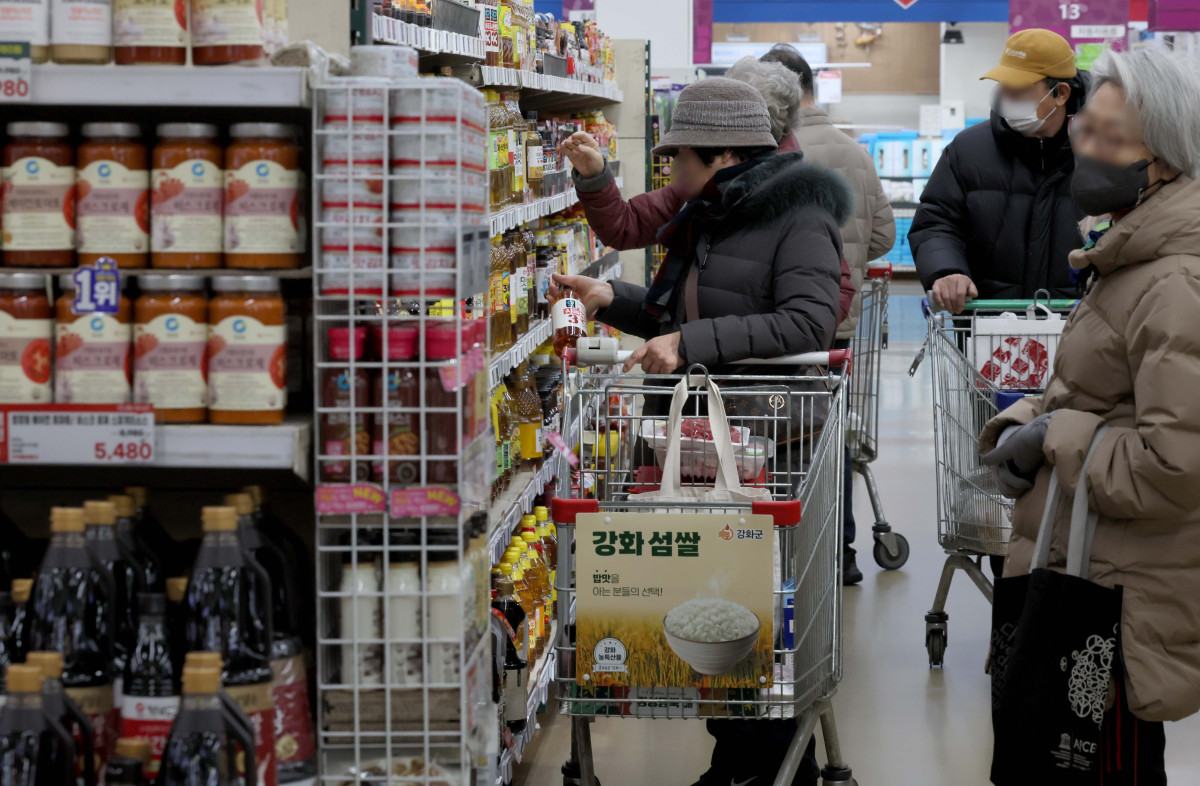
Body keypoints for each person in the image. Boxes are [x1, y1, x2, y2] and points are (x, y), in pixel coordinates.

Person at [553, 77, 849, 786]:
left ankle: (757, 764)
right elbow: (688, 316)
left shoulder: (798, 212)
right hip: (711, 439)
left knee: (760, 604)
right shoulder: (712, 210)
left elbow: (810, 322)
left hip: (769, 438)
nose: (669, 173)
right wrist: (615, 299)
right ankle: (749, 762)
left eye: (677, 158)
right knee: (720, 596)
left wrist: (690, 344)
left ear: (720, 156)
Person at [979, 48, 1200, 784]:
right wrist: (1023, 423)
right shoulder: (1126, 253)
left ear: (1164, 161)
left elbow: (1176, 467)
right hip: (1080, 565)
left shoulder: (1176, 282)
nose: (1088, 150)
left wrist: (1057, 437)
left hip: (1115, 604)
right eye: (1088, 129)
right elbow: (1098, 392)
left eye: (1113, 140)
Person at [559, 55, 857, 324]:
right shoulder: (704, 187)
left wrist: (705, 340)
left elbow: (814, 315)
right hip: (708, 374)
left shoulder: (797, 206)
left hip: (753, 379)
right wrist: (595, 176)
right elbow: (628, 227)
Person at [755, 45, 896, 585]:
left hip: (781, 327)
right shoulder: (854, 153)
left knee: (776, 438)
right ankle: (844, 551)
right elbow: (883, 234)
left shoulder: (770, 153)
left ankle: (781, 549)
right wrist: (847, 265)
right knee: (830, 439)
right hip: (837, 328)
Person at [909, 29, 1089, 313]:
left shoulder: (1101, 152)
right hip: (989, 329)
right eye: (1003, 85)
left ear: (1060, 94)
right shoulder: (968, 150)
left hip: (1077, 326)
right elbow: (936, 221)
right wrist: (946, 269)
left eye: (1018, 88)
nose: (1005, 97)